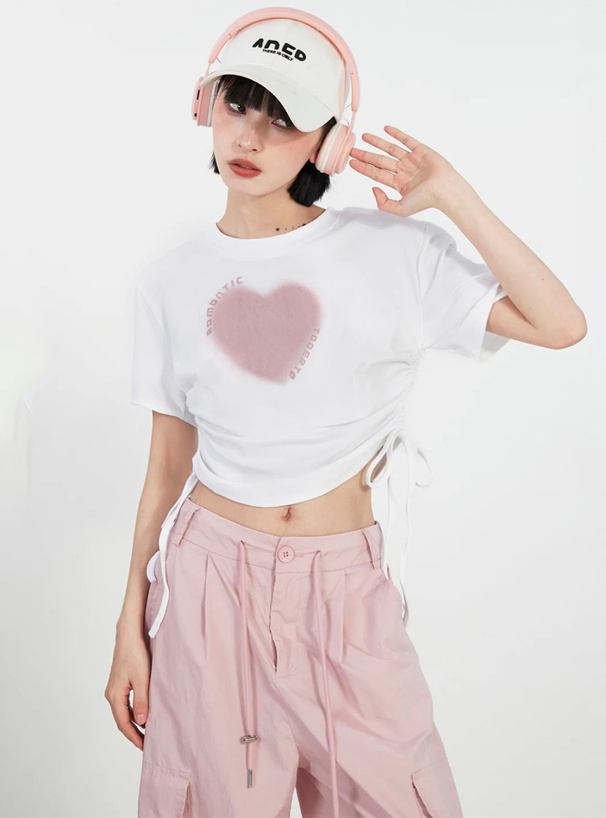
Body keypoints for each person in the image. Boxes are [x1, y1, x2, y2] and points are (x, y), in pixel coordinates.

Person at [104, 9, 587, 818]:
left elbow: (561, 325)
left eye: (283, 118)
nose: (249, 136)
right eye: (237, 103)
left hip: (346, 594)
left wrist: (453, 196)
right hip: (206, 589)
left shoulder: (394, 252)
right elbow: (164, 468)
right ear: (204, 105)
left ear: (329, 143)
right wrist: (129, 623)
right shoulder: (168, 282)